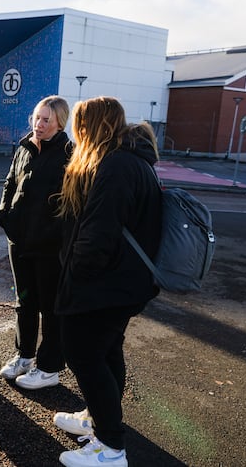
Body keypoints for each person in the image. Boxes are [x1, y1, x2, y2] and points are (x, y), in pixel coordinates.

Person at [52, 97, 161, 467]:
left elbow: (98, 233)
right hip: (124, 283)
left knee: (82, 353)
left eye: (79, 126)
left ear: (91, 127)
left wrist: (75, 279)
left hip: (104, 286)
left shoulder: (115, 166)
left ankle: (111, 448)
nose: (75, 135)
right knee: (106, 351)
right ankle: (98, 421)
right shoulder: (134, 160)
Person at [0, 96, 72, 389]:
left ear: (59, 123)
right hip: (20, 241)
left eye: (45, 120)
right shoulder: (25, 147)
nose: (38, 125)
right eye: (36, 118)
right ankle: (24, 355)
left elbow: (69, 204)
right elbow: (9, 183)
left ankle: (49, 368)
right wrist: (5, 215)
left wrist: (52, 233)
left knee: (50, 308)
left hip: (49, 247)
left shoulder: (69, 154)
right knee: (24, 301)